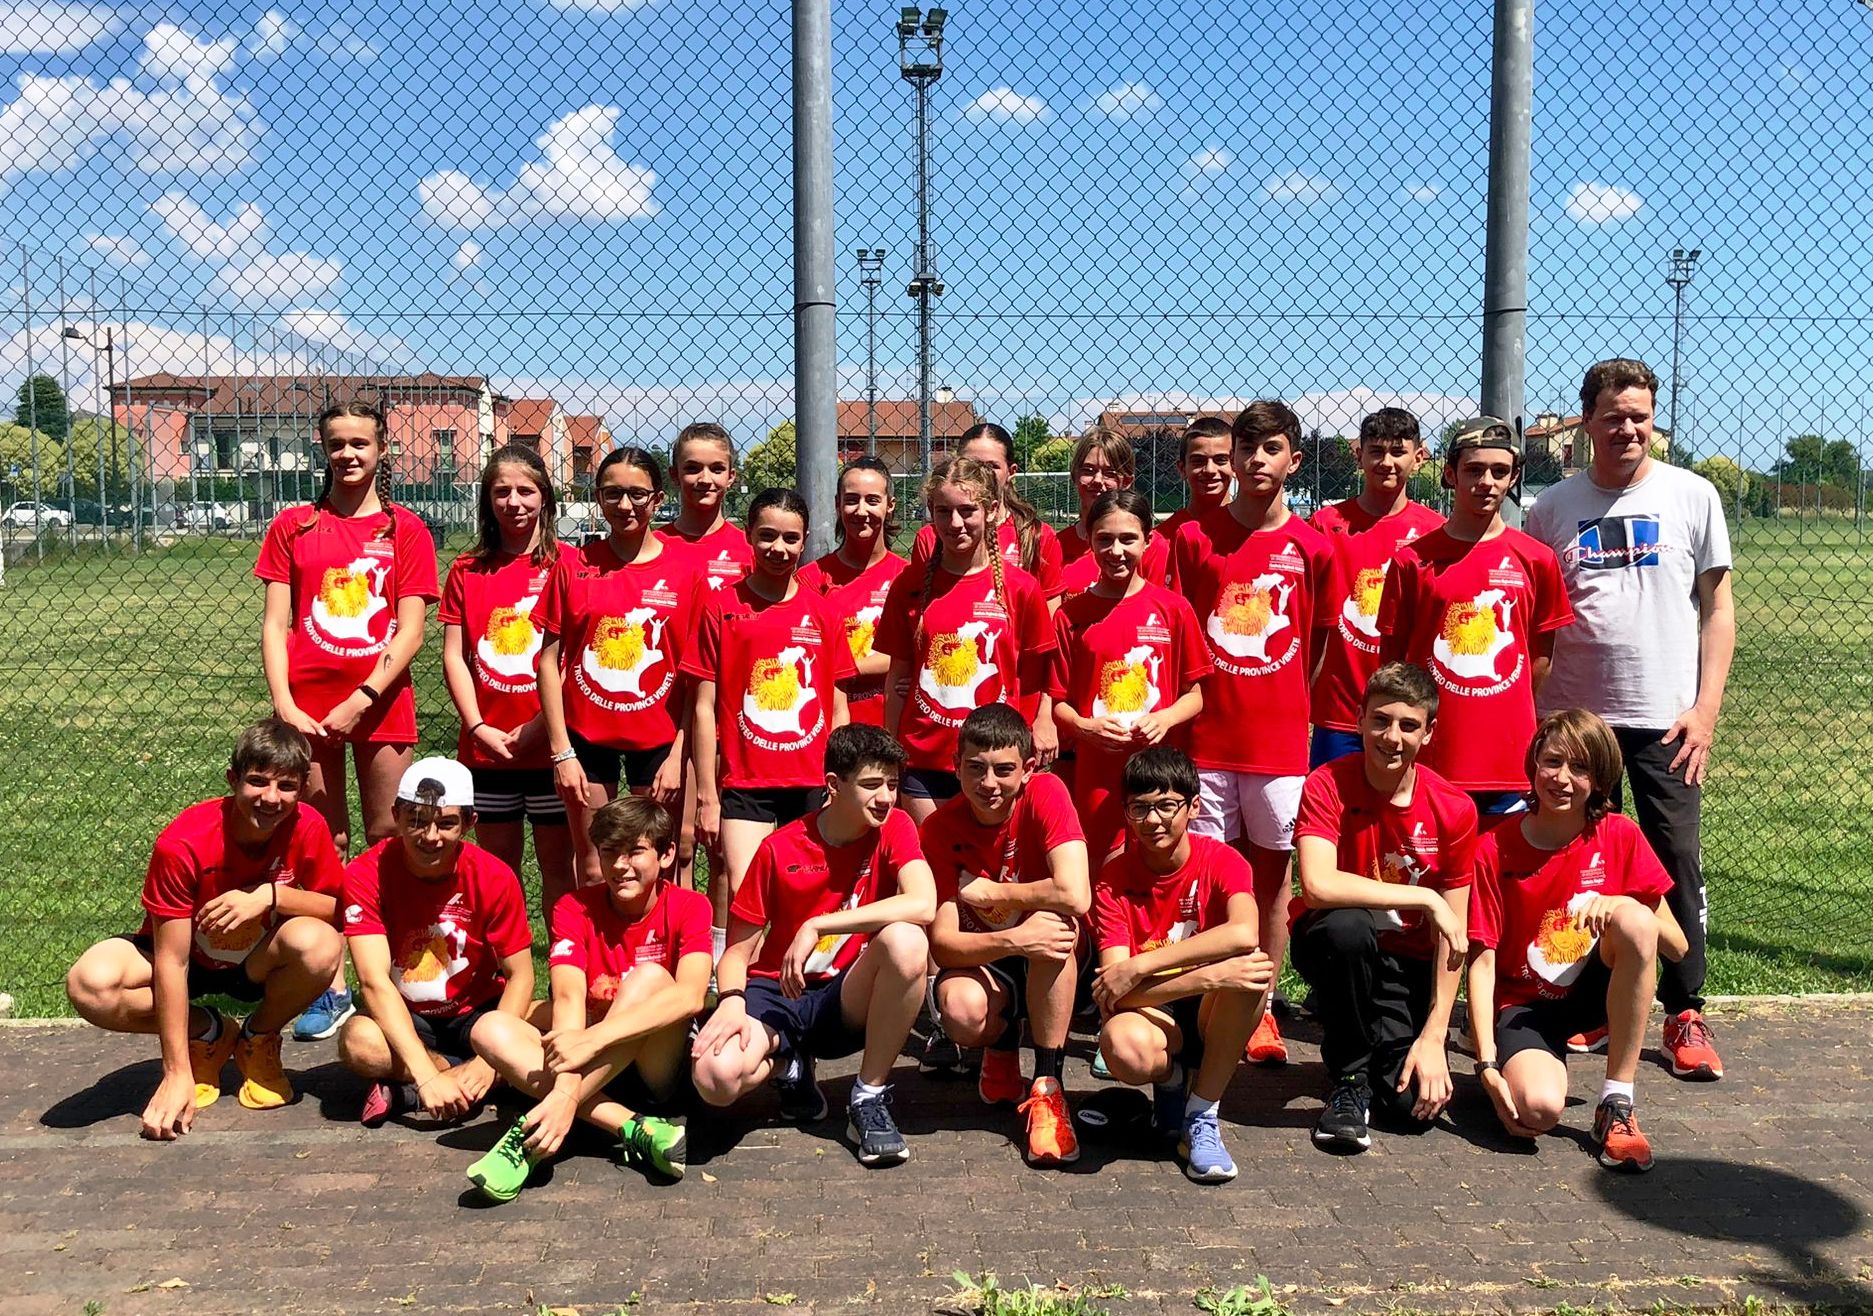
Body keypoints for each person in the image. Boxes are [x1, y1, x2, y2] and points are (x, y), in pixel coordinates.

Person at [1524, 358, 1735, 1080]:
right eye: (1613, 416)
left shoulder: (1691, 495)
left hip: (1666, 719)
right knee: (1580, 863)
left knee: (1673, 861)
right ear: (1586, 421)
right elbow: (1539, 623)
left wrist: (1705, 710)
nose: (1627, 429)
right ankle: (1591, 1004)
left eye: (1639, 416)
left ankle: (1684, 1010)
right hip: (1578, 724)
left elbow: (1718, 611)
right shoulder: (1552, 508)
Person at [255, 400, 440, 1041]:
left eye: (360, 443)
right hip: (307, 713)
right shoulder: (294, 525)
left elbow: (411, 630)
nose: (348, 455)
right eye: (337, 444)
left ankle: (396, 974)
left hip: (379, 704)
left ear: (382, 450)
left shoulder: (406, 529)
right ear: (323, 448)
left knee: (392, 835)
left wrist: (363, 696)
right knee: (322, 842)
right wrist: (285, 703)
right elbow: (275, 623)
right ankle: (328, 985)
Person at [65, 720, 346, 1138]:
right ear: (233, 779)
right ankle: (207, 1034)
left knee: (320, 945)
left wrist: (271, 896)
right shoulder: (183, 842)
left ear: (303, 789)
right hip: (188, 958)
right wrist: (175, 1072)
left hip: (256, 962)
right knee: (90, 984)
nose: (271, 798)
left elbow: (341, 910)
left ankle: (258, 1038)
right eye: (257, 781)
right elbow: (172, 961)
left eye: (286, 786)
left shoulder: (308, 825)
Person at [1166, 400, 1336, 1066]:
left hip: (1278, 748)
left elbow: (1316, 645)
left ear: (1294, 459)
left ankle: (1260, 1007)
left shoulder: (1314, 547)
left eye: (1272, 448)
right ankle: (1205, 999)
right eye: (1247, 448)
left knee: (1269, 884)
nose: (1257, 460)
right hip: (1206, 742)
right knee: (1208, 879)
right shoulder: (1192, 539)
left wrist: (1282, 701)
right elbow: (1181, 636)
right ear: (1231, 458)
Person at [690, 726, 936, 1167]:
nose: (885, 797)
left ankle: (868, 1097)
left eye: (893, 784)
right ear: (833, 785)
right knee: (714, 1077)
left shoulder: (895, 827)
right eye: (871, 785)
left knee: (907, 940)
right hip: (778, 994)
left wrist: (817, 925)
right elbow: (737, 952)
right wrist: (730, 1002)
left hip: (845, 997)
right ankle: (790, 1066)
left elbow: (923, 903)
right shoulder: (778, 848)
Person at [1467, 709, 1689, 1173]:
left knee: (1635, 921)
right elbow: (1481, 963)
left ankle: (1617, 1103)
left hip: (1595, 995)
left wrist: (1622, 901)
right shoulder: (1494, 847)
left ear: (1601, 779)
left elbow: (1676, 946)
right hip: (1525, 1004)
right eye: (1552, 762)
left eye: (1580, 767)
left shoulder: (1620, 835)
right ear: (1533, 765)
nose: (1562, 778)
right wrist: (1485, 1064)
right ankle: (1519, 1064)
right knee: (1538, 1110)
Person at [465, 796, 712, 1200]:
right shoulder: (573, 907)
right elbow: (568, 995)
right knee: (489, 1027)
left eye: (635, 851)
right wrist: (570, 1074)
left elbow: (690, 996)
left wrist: (588, 1049)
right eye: (610, 851)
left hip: (654, 1065)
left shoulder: (690, 906)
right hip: (588, 1066)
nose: (620, 866)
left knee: (648, 978)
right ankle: (632, 1126)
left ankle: (530, 1137)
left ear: (667, 855)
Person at [1290, 662, 1476, 1154]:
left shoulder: (1455, 809)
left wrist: (1435, 1035)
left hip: (1406, 961)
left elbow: (1454, 937)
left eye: (1408, 725)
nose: (1392, 737)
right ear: (1359, 720)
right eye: (1380, 720)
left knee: (1410, 1107)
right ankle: (1349, 1081)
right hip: (1331, 941)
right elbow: (1317, 886)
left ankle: (1374, 1052)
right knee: (1348, 928)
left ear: (1428, 733)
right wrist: (1425, 896)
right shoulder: (1326, 783)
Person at [1091, 747, 1273, 1184]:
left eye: (1167, 806)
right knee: (1121, 1044)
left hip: (1213, 1009)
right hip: (1156, 1012)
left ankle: (1202, 1114)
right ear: (1126, 812)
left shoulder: (1222, 860)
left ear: (1193, 807)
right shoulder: (1112, 880)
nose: (1153, 820)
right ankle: (1172, 1082)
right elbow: (1115, 991)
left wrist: (1144, 965)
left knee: (1252, 973)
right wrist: (1207, 973)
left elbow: (1244, 933)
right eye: (1139, 808)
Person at [1378, 418, 1574, 815]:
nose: (1487, 482)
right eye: (1474, 470)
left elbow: (1540, 657)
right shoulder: (1412, 561)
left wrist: (1500, 701)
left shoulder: (1536, 560)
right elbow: (1394, 661)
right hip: (1432, 757)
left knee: (1502, 854)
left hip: (1508, 756)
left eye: (1499, 472)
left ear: (1513, 478)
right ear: (1451, 474)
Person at [923, 705, 1091, 1166]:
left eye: (1003, 769)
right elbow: (943, 944)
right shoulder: (937, 829)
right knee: (959, 1009)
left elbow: (1075, 895)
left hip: (1057, 957)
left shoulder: (1047, 793)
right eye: (975, 768)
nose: (988, 783)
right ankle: (1001, 1043)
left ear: (1028, 768)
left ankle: (1048, 1089)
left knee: (1056, 930)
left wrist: (997, 892)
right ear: (956, 766)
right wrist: (1018, 939)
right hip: (991, 958)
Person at [689, 488, 856, 948]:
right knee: (748, 898)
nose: (778, 548)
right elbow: (703, 706)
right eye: (767, 536)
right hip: (746, 784)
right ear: (748, 534)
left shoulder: (823, 612)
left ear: (805, 541)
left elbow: (838, 708)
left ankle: (803, 985)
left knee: (809, 900)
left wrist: (838, 781)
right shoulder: (721, 606)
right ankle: (738, 982)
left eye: (790, 538)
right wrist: (707, 795)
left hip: (813, 783)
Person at [335, 758, 534, 1128]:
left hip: (480, 1013)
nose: (430, 836)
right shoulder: (365, 873)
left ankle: (414, 1091)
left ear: (469, 823)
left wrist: (487, 1060)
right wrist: (427, 1073)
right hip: (409, 1013)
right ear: (395, 816)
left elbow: (520, 975)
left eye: (446, 823)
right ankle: (458, 1078)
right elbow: (373, 981)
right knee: (358, 1042)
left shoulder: (494, 875)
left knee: (552, 1021)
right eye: (416, 820)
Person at [537, 447, 699, 892]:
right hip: (586, 740)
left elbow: (696, 676)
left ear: (658, 499)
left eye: (637, 494)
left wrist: (678, 754)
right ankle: (593, 940)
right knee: (593, 867)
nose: (625, 505)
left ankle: (664, 941)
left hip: (661, 741)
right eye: (612, 494)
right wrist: (562, 752)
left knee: (660, 868)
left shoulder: (686, 570)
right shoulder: (574, 565)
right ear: (598, 496)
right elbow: (547, 661)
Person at [877, 457, 1058, 822]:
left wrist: (1042, 723)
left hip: (996, 762)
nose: (955, 523)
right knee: (931, 856)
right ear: (931, 512)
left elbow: (1039, 673)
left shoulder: (1021, 588)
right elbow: (897, 677)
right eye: (943, 511)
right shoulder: (909, 586)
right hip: (925, 760)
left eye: (967, 510)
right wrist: (890, 755)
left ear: (991, 510)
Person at [440, 445, 576, 921]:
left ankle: (563, 955)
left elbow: (573, 658)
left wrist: (541, 727)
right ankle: (503, 954)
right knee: (498, 869)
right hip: (488, 749)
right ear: (487, 500)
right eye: (501, 492)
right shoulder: (467, 570)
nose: (513, 502)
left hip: (551, 748)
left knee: (559, 867)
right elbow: (454, 656)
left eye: (525, 491)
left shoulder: (570, 564)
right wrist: (477, 727)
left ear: (545, 497)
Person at [1050, 489, 1209, 867]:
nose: (1116, 551)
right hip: (1098, 774)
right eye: (1104, 539)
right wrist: (1085, 727)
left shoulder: (1173, 609)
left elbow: (1196, 694)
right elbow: (1057, 704)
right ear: (1089, 540)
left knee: (1159, 865)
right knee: (1103, 867)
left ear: (1148, 540)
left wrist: (1166, 718)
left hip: (1161, 770)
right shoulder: (1071, 616)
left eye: (1128, 539)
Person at [1308, 408, 1443, 768]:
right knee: (1334, 799)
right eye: (1376, 451)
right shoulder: (1325, 525)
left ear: (1419, 456)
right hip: (1339, 710)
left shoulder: (1435, 531)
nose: (1386, 462)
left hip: (1406, 711)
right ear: (1359, 456)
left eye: (1398, 452)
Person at [798, 456, 909, 727]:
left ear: (890, 505)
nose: (861, 511)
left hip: (892, 727)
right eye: (851, 500)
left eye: (872, 500)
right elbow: (807, 656)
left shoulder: (908, 577)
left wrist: (842, 667)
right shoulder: (810, 578)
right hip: (830, 725)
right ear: (837, 504)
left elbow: (911, 652)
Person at [908, 421, 1067, 602]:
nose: (982, 474)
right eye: (972, 465)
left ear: (1011, 472)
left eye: (992, 467)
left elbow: (1049, 612)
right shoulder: (931, 537)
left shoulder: (1036, 535)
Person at [1055, 427, 1171, 597]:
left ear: (1127, 481)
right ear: (1075, 476)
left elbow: (1159, 606)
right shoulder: (1057, 546)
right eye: (1088, 471)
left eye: (1110, 474)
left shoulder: (1151, 547)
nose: (1097, 480)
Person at [656, 421, 755, 592]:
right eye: (692, 469)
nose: (705, 480)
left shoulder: (750, 548)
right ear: (674, 475)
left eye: (717, 469)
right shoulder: (653, 546)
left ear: (731, 477)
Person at [1155, 415, 1234, 547]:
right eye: (1198, 461)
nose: (1210, 470)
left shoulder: (1254, 530)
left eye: (1220, 460)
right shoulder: (1162, 539)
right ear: (1182, 469)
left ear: (1235, 465)